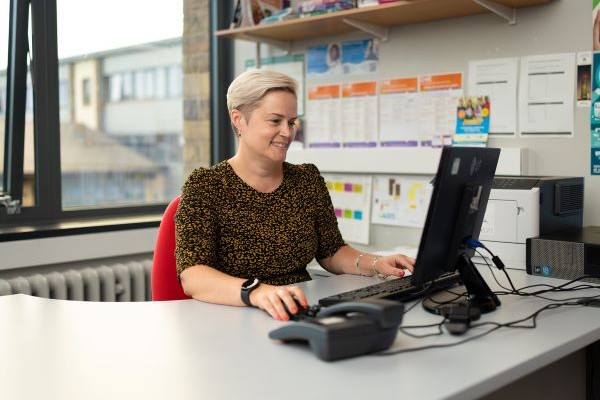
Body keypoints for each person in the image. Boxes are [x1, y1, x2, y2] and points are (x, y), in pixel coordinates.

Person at [175, 69, 415, 321]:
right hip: (235, 314)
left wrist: (377, 263)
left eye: (291, 122)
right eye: (275, 121)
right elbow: (193, 275)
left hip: (301, 308)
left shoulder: (306, 179)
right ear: (238, 119)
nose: (288, 133)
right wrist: (256, 292)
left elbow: (331, 251)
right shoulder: (205, 186)